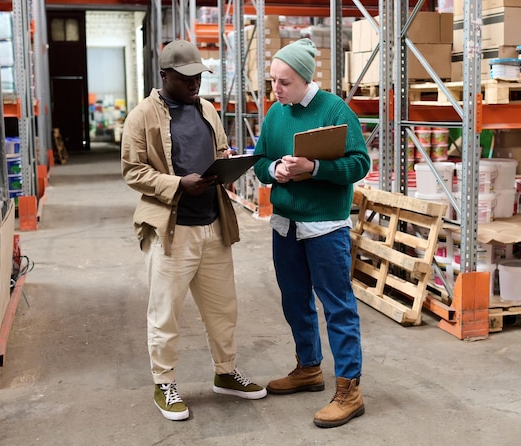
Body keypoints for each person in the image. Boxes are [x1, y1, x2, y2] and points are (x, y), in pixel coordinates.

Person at [121, 39, 266, 422]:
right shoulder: (142, 117)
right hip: (173, 229)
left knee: (223, 309)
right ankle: (164, 382)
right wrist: (176, 184)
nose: (194, 84)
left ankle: (225, 371)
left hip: (213, 224)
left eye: (198, 77)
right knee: (165, 313)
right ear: (165, 76)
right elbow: (132, 171)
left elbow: (218, 151)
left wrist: (228, 166)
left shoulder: (207, 109)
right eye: (185, 78)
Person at [252, 38, 370, 428]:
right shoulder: (275, 113)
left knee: (337, 306)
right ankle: (308, 368)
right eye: (272, 81)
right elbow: (260, 159)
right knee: (294, 300)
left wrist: (314, 167)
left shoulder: (335, 111)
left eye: (283, 82)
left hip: (324, 227)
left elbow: (358, 164)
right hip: (285, 223)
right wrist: (276, 172)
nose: (276, 90)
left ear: (304, 80)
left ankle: (349, 390)